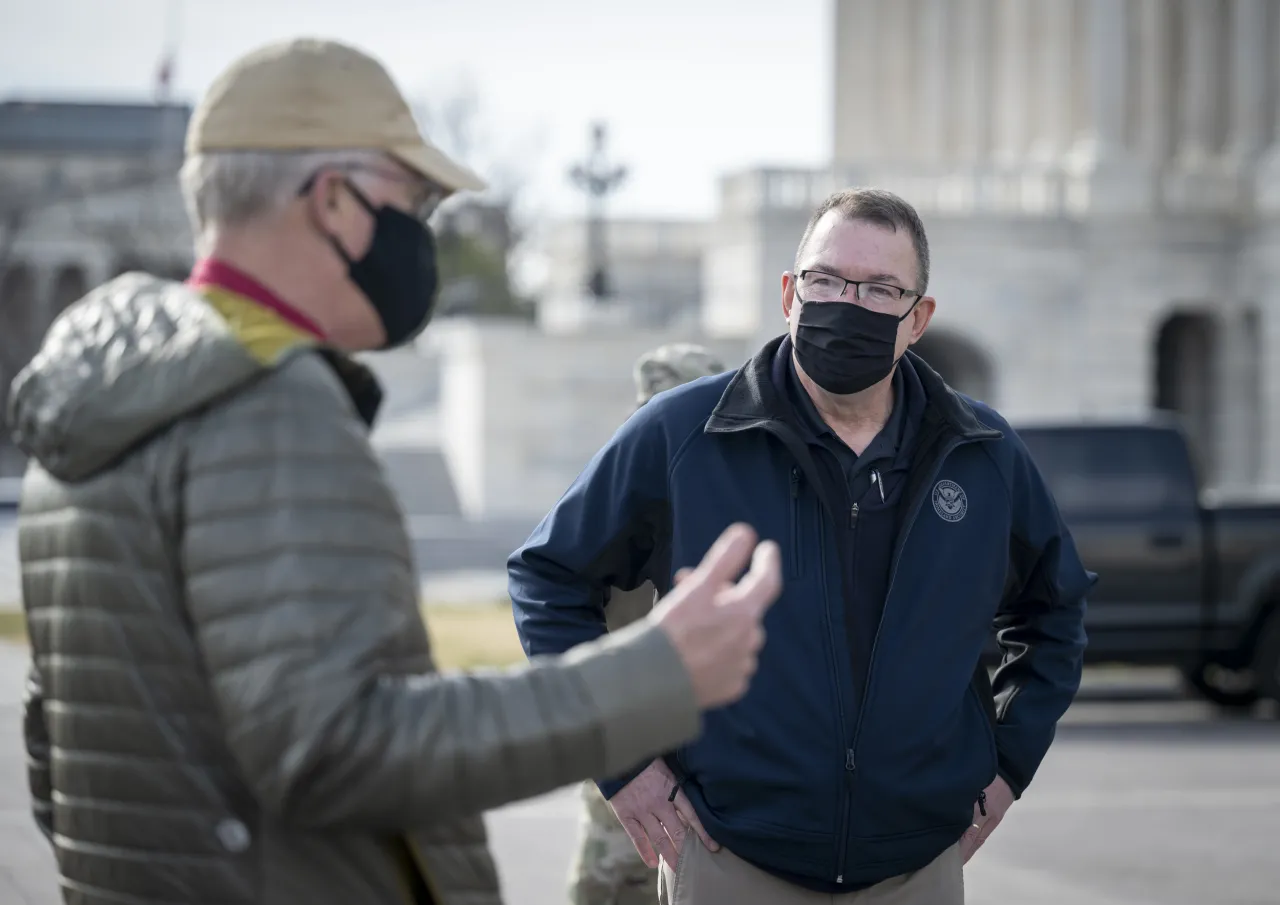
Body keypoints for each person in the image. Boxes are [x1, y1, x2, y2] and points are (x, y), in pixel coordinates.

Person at [7, 38, 784, 905]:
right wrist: (658, 673)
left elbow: (58, 755)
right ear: (334, 200)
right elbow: (338, 747)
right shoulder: (269, 403)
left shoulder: (96, 398)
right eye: (412, 201)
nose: (423, 233)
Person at [509, 187, 1094, 904]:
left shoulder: (983, 452)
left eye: (881, 288)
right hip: (730, 858)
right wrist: (620, 763)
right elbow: (547, 579)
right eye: (826, 280)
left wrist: (1008, 766)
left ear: (919, 319)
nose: (847, 304)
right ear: (789, 293)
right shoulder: (684, 433)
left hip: (915, 868)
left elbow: (1055, 611)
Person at [567, 342, 726, 905]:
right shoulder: (617, 492)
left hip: (711, 751)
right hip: (627, 738)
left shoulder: (728, 491)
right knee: (614, 879)